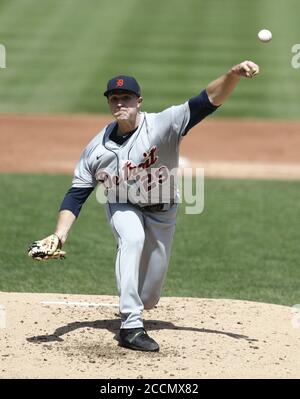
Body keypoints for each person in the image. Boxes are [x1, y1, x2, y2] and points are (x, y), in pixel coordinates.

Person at [28, 60, 259, 352]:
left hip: (164, 211)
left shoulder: (163, 124)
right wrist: (59, 234)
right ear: (109, 103)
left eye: (126, 98)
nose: (120, 103)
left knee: (149, 297)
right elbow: (76, 194)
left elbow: (207, 101)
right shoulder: (96, 149)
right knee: (132, 239)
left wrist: (232, 75)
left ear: (139, 101)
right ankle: (130, 326)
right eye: (114, 98)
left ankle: (135, 304)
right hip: (123, 204)